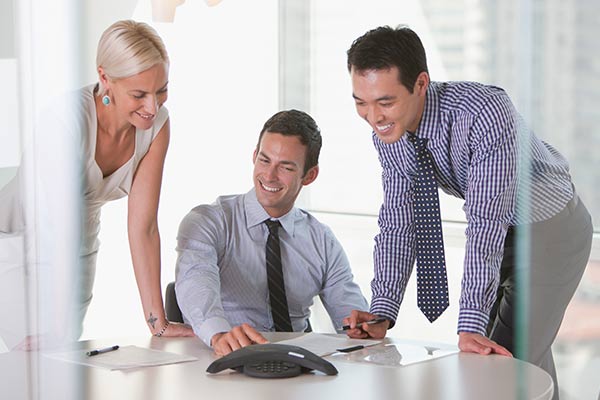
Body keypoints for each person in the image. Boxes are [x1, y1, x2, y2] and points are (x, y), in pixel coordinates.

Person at [342, 25, 592, 397]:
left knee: (501, 367)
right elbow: (398, 223)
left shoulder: (484, 113)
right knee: (520, 364)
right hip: (506, 236)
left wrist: (470, 323)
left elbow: (486, 223)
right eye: (361, 102)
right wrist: (383, 311)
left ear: (421, 83)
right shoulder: (390, 135)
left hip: (550, 232)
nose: (373, 117)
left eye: (385, 101)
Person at [0, 19, 193, 349]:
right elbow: (56, 230)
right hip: (17, 238)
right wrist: (57, 324)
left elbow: (143, 226)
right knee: (30, 356)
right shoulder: (64, 120)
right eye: (139, 94)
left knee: (61, 350)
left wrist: (157, 323)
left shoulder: (158, 124)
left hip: (79, 239)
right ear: (105, 78)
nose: (153, 106)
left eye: (161, 90)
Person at [175, 110, 369, 355]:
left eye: (285, 167)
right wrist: (219, 334)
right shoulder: (210, 222)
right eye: (264, 160)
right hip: (226, 362)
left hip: (300, 370)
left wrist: (361, 327)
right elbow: (196, 281)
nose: (269, 175)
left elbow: (350, 318)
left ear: (309, 175)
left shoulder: (322, 241)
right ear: (254, 155)